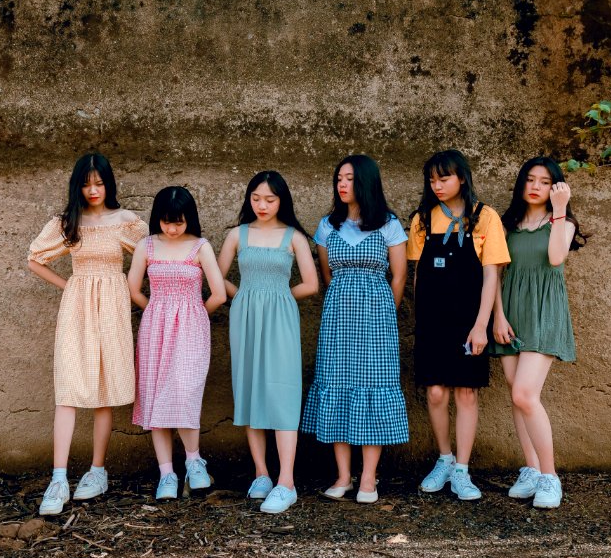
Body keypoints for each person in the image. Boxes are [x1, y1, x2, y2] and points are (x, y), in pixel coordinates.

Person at [27, 152, 148, 515]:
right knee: (67, 388)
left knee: (103, 390)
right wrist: (69, 286)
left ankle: (98, 471)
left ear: (109, 183)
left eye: (99, 182)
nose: (93, 189)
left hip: (112, 306)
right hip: (77, 307)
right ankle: (59, 478)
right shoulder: (68, 221)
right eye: (86, 183)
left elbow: (153, 252)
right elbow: (35, 259)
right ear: (76, 185)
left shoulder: (125, 222)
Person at [301, 155, 408, 504]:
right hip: (338, 321)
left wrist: (382, 315)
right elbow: (327, 274)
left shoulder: (389, 224)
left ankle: (369, 477)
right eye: (338, 180)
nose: (342, 185)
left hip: (377, 321)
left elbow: (400, 276)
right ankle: (344, 476)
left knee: (373, 387)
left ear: (366, 182)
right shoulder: (327, 226)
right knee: (338, 386)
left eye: (349, 179)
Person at [407, 149, 510, 501]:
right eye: (432, 180)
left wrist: (482, 324)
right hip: (433, 320)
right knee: (435, 391)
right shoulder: (422, 218)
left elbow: (491, 273)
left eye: (444, 178)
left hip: (469, 320)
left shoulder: (486, 218)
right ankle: (445, 459)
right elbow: (418, 273)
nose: (437, 185)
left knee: (466, 392)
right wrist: (421, 322)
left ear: (462, 178)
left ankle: (463, 471)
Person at [217, 171, 318, 514]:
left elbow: (311, 283)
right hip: (244, 318)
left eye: (270, 199)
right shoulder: (237, 235)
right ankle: (261, 473)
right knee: (249, 389)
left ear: (282, 201)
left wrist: (280, 297)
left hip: (281, 318)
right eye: (256, 198)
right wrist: (242, 295)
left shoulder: (294, 237)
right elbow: (217, 277)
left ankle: (286, 481)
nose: (262, 205)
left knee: (282, 391)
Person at [491, 156, 586, 509]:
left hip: (544, 312)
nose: (535, 187)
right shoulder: (507, 224)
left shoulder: (563, 222)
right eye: (530, 180)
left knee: (525, 394)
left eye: (544, 182)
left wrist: (559, 209)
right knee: (517, 396)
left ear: (555, 187)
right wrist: (497, 317)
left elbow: (557, 257)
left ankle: (550, 477)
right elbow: (495, 275)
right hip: (511, 313)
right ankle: (530, 469)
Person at [128, 186, 227, 500]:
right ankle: (167, 473)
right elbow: (133, 289)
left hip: (191, 330)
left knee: (184, 391)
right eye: (166, 222)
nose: (171, 229)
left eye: (179, 223)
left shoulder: (200, 247)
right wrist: (158, 310)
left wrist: (193, 313)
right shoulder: (147, 245)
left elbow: (219, 294)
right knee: (156, 396)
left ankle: (195, 460)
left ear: (190, 220)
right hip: (154, 328)